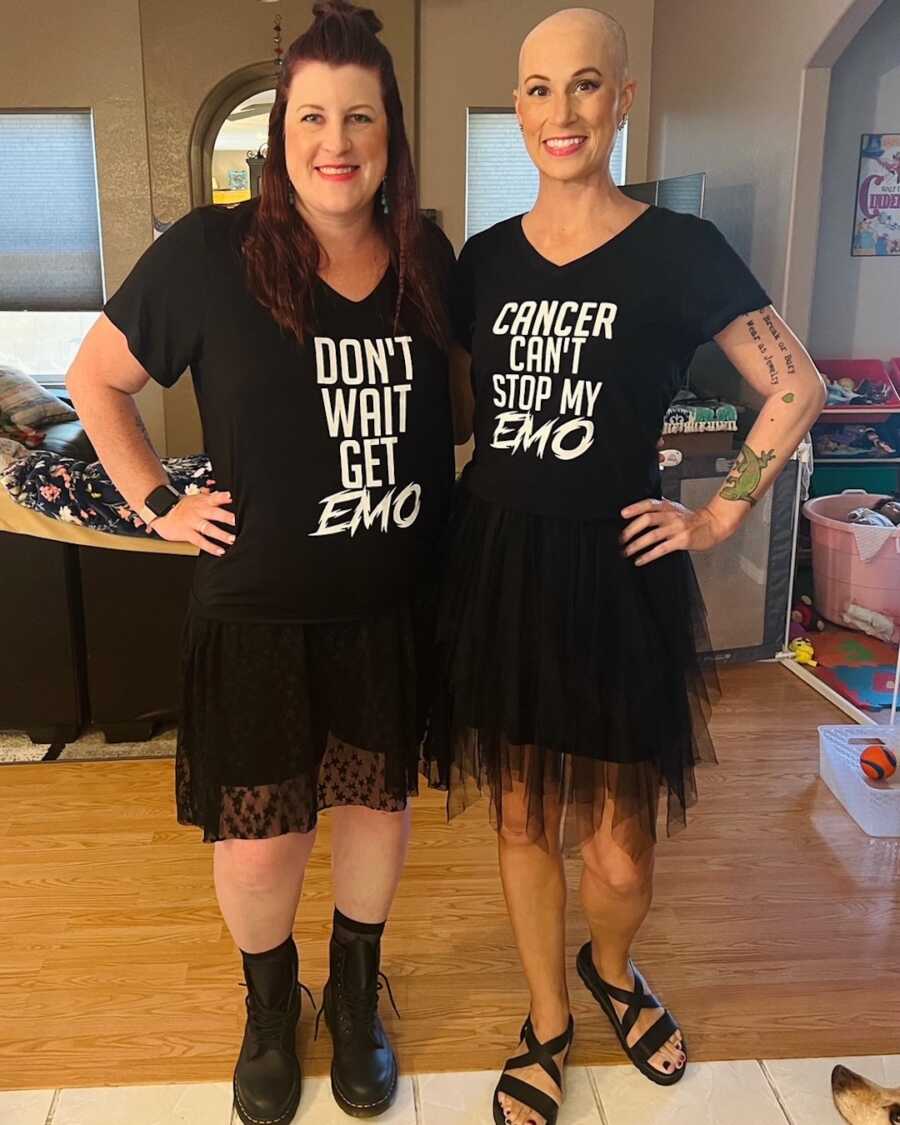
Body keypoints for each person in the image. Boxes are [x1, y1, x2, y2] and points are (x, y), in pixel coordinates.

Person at [422, 9, 827, 1125]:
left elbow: (797, 389)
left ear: (624, 100)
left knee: (618, 844)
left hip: (621, 567)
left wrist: (718, 519)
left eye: (586, 86)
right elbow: (461, 408)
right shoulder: (487, 259)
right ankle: (547, 1019)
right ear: (519, 106)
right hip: (497, 559)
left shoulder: (680, 249)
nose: (562, 112)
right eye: (540, 90)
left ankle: (612, 968)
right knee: (517, 818)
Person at [67, 3, 455, 1121]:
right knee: (258, 851)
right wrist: (155, 503)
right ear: (285, 129)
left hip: (389, 610)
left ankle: (355, 996)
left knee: (378, 821)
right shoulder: (209, 252)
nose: (338, 141)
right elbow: (98, 381)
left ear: (391, 134)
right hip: (255, 618)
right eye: (316, 116)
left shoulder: (427, 259)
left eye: (362, 117)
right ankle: (269, 1007)